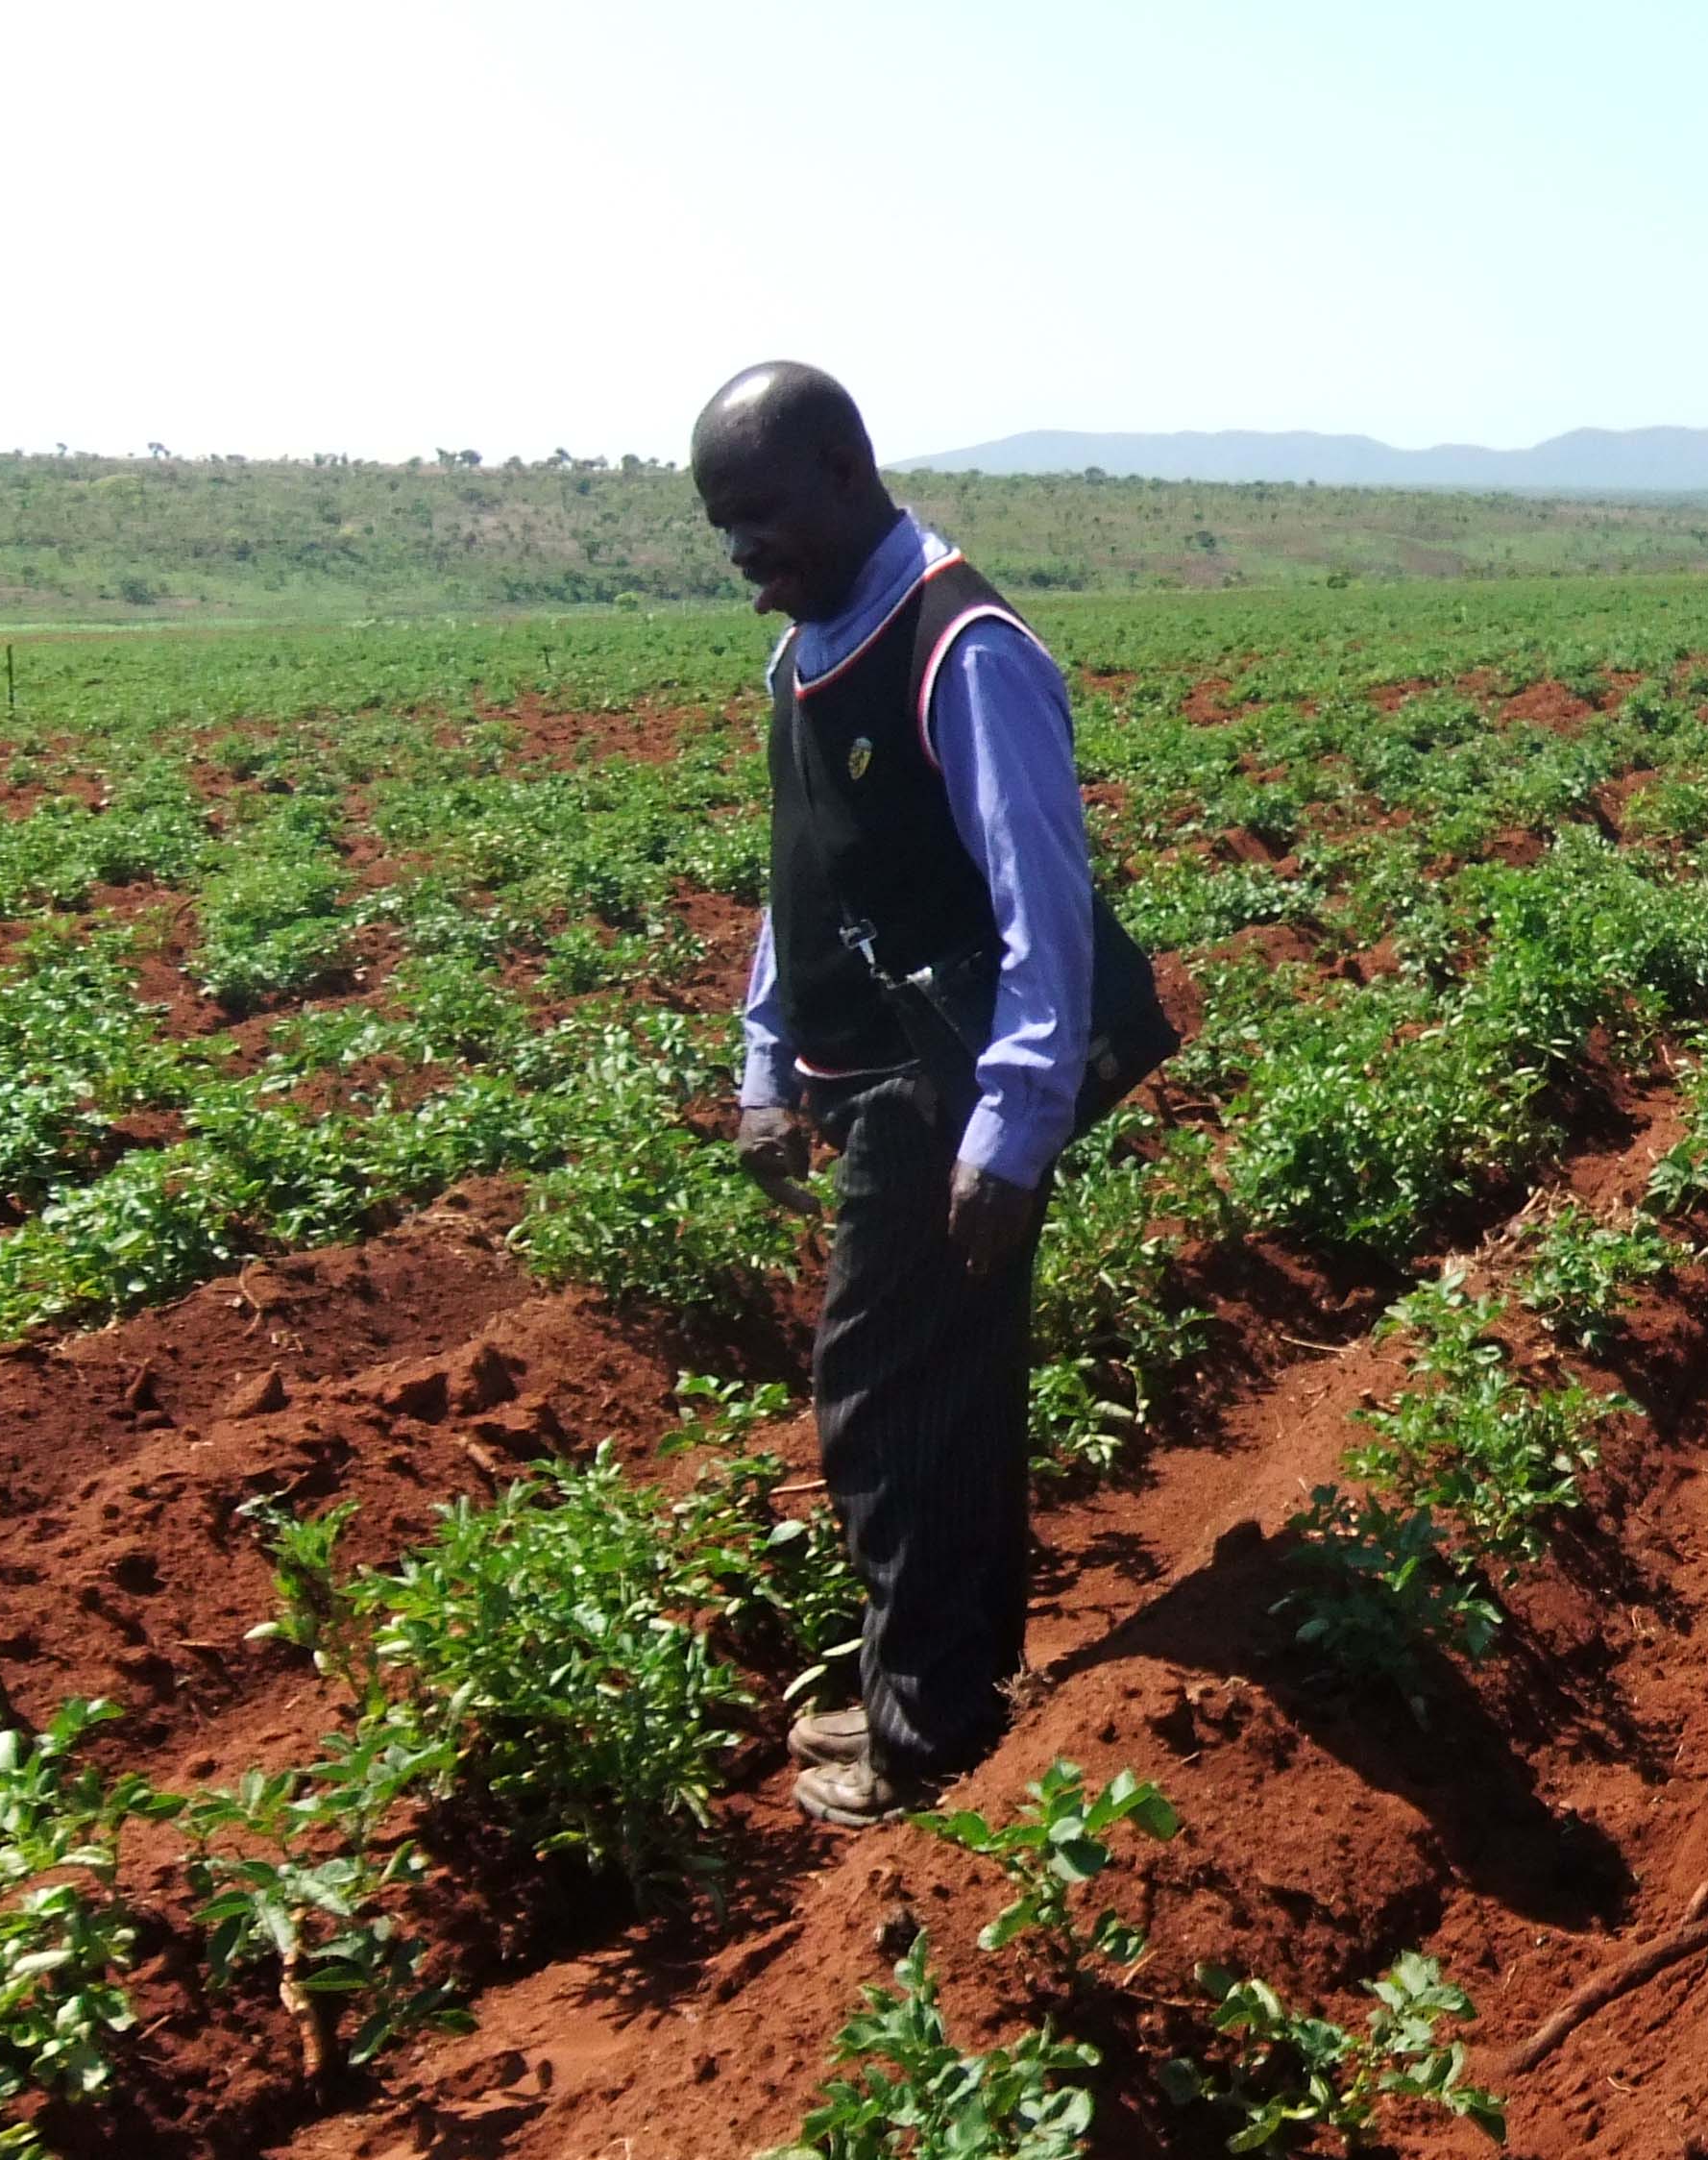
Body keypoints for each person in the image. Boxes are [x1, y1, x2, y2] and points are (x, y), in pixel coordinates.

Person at [696, 361, 1097, 1827]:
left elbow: (1039, 903)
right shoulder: (806, 653)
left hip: (941, 1095)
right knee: (949, 1390)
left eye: (762, 516)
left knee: (878, 1393)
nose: (746, 553)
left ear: (847, 468)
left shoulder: (962, 643)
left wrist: (1012, 1128)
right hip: (868, 1077)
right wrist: (763, 1065)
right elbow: (805, 876)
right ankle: (944, 1691)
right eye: (723, 530)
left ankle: (919, 1731)